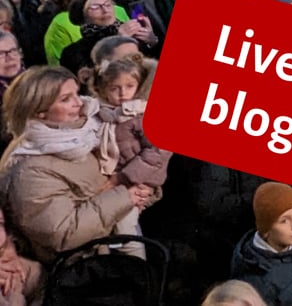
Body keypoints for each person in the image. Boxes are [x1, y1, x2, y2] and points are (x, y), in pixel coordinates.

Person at [0, 66, 153, 262]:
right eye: (66, 99)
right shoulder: (29, 169)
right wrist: (124, 197)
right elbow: (62, 232)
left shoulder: (88, 130)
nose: (79, 103)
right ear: (39, 111)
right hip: (87, 265)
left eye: (76, 93)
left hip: (117, 238)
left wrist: (140, 189)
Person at [91, 57, 171, 257]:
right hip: (106, 181)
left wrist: (123, 178)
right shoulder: (99, 113)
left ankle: (137, 267)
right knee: (102, 232)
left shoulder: (140, 114)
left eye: (129, 86)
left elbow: (154, 154)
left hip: (130, 181)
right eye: (114, 88)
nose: (122, 93)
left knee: (127, 230)